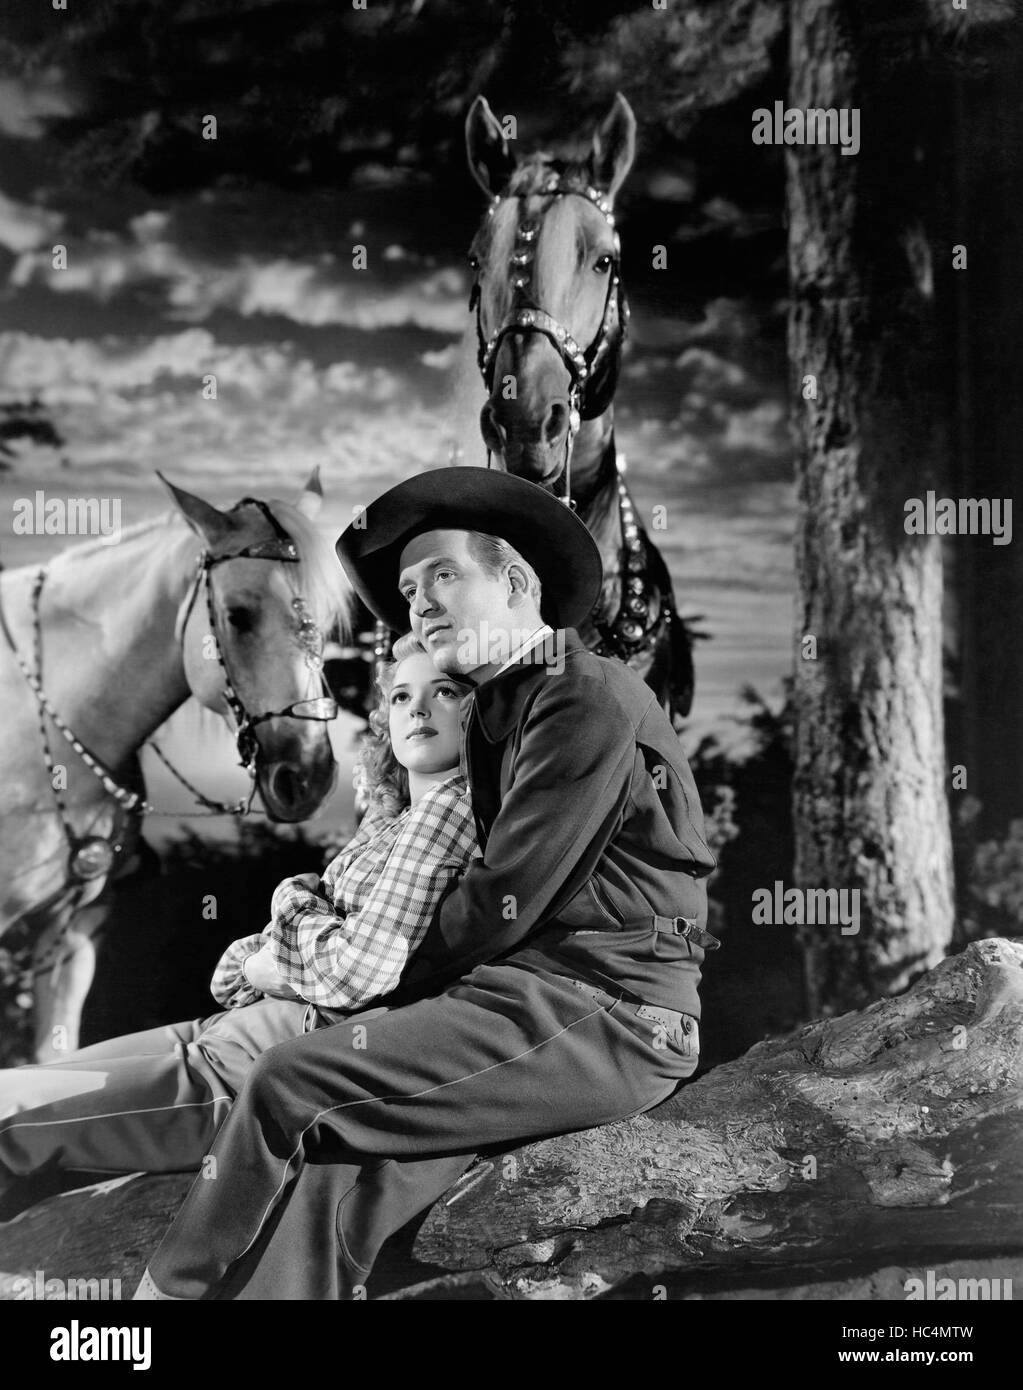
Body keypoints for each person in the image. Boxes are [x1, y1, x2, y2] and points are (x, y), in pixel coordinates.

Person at [133, 465, 719, 1301]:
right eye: (408, 590)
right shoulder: (497, 713)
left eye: (443, 574)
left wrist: (358, 980)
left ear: (516, 581)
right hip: (522, 1000)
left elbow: (498, 900)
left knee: (287, 1078)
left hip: (610, 1013)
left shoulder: (581, 693)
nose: (419, 603)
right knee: (343, 1171)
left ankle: (161, 1299)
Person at [0, 636, 476, 1186]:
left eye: (443, 691)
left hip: (258, 1066)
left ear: (477, 711)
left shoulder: (450, 807)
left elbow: (355, 971)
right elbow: (241, 967)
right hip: (223, 1029)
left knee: (12, 1116)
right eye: (399, 696)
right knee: (19, 1083)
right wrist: (270, 958)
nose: (416, 709)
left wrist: (292, 900)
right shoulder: (390, 820)